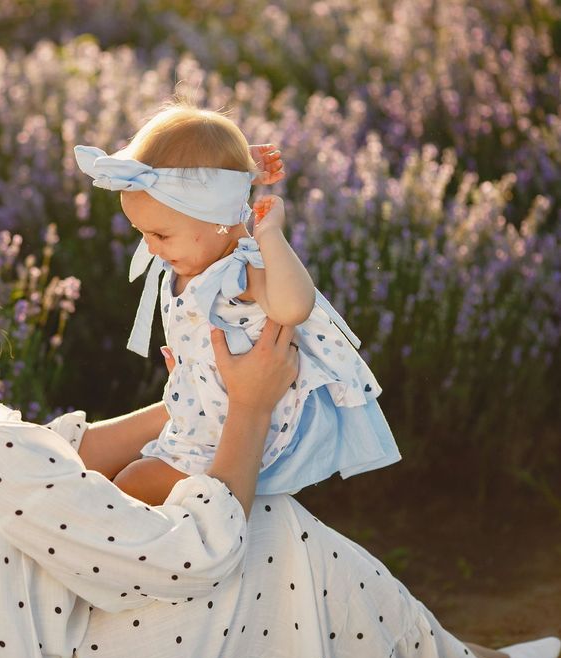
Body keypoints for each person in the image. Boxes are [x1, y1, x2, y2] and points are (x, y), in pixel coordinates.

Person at [0, 168, 558, 658]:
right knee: (268, 533)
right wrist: (246, 411)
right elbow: (193, 553)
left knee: (257, 529)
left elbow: (57, 459)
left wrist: (183, 403)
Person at [74, 102, 400, 505]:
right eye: (143, 233)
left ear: (217, 218)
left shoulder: (238, 269)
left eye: (160, 234)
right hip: (202, 420)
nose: (149, 247)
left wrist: (271, 235)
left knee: (130, 486)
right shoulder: (195, 257)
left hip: (234, 431)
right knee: (121, 482)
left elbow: (294, 306)